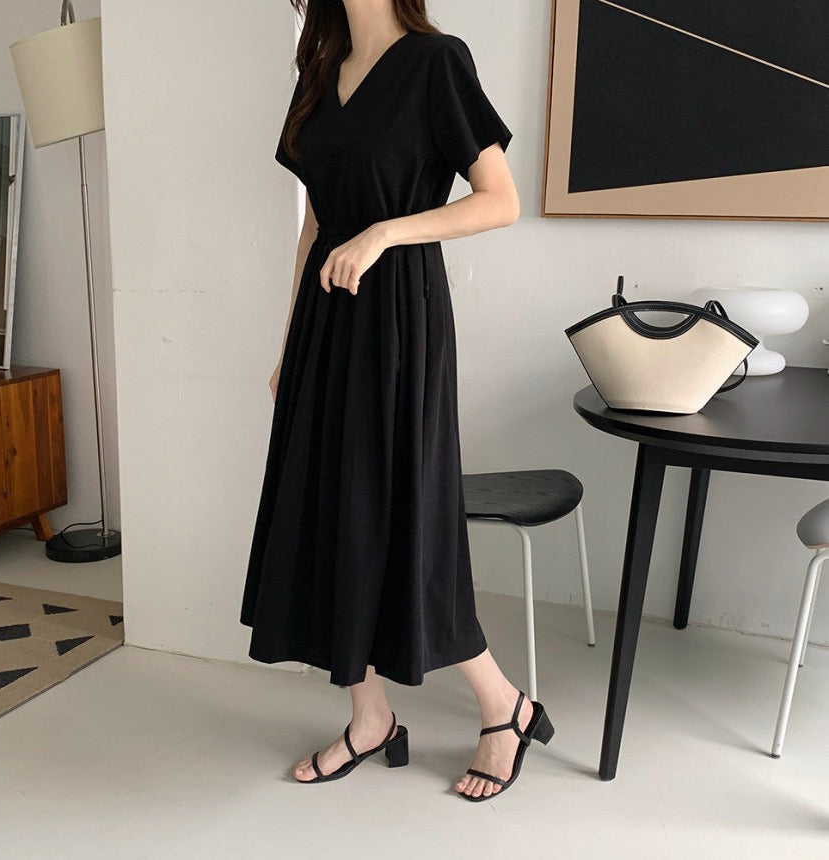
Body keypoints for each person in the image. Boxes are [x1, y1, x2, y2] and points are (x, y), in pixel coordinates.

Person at [240, 0, 554, 801]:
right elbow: (314, 223)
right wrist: (288, 346)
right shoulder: (319, 71)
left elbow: (500, 200)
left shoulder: (435, 62)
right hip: (326, 323)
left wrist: (384, 233)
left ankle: (505, 706)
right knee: (329, 515)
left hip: (398, 322)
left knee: (401, 517)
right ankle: (369, 716)